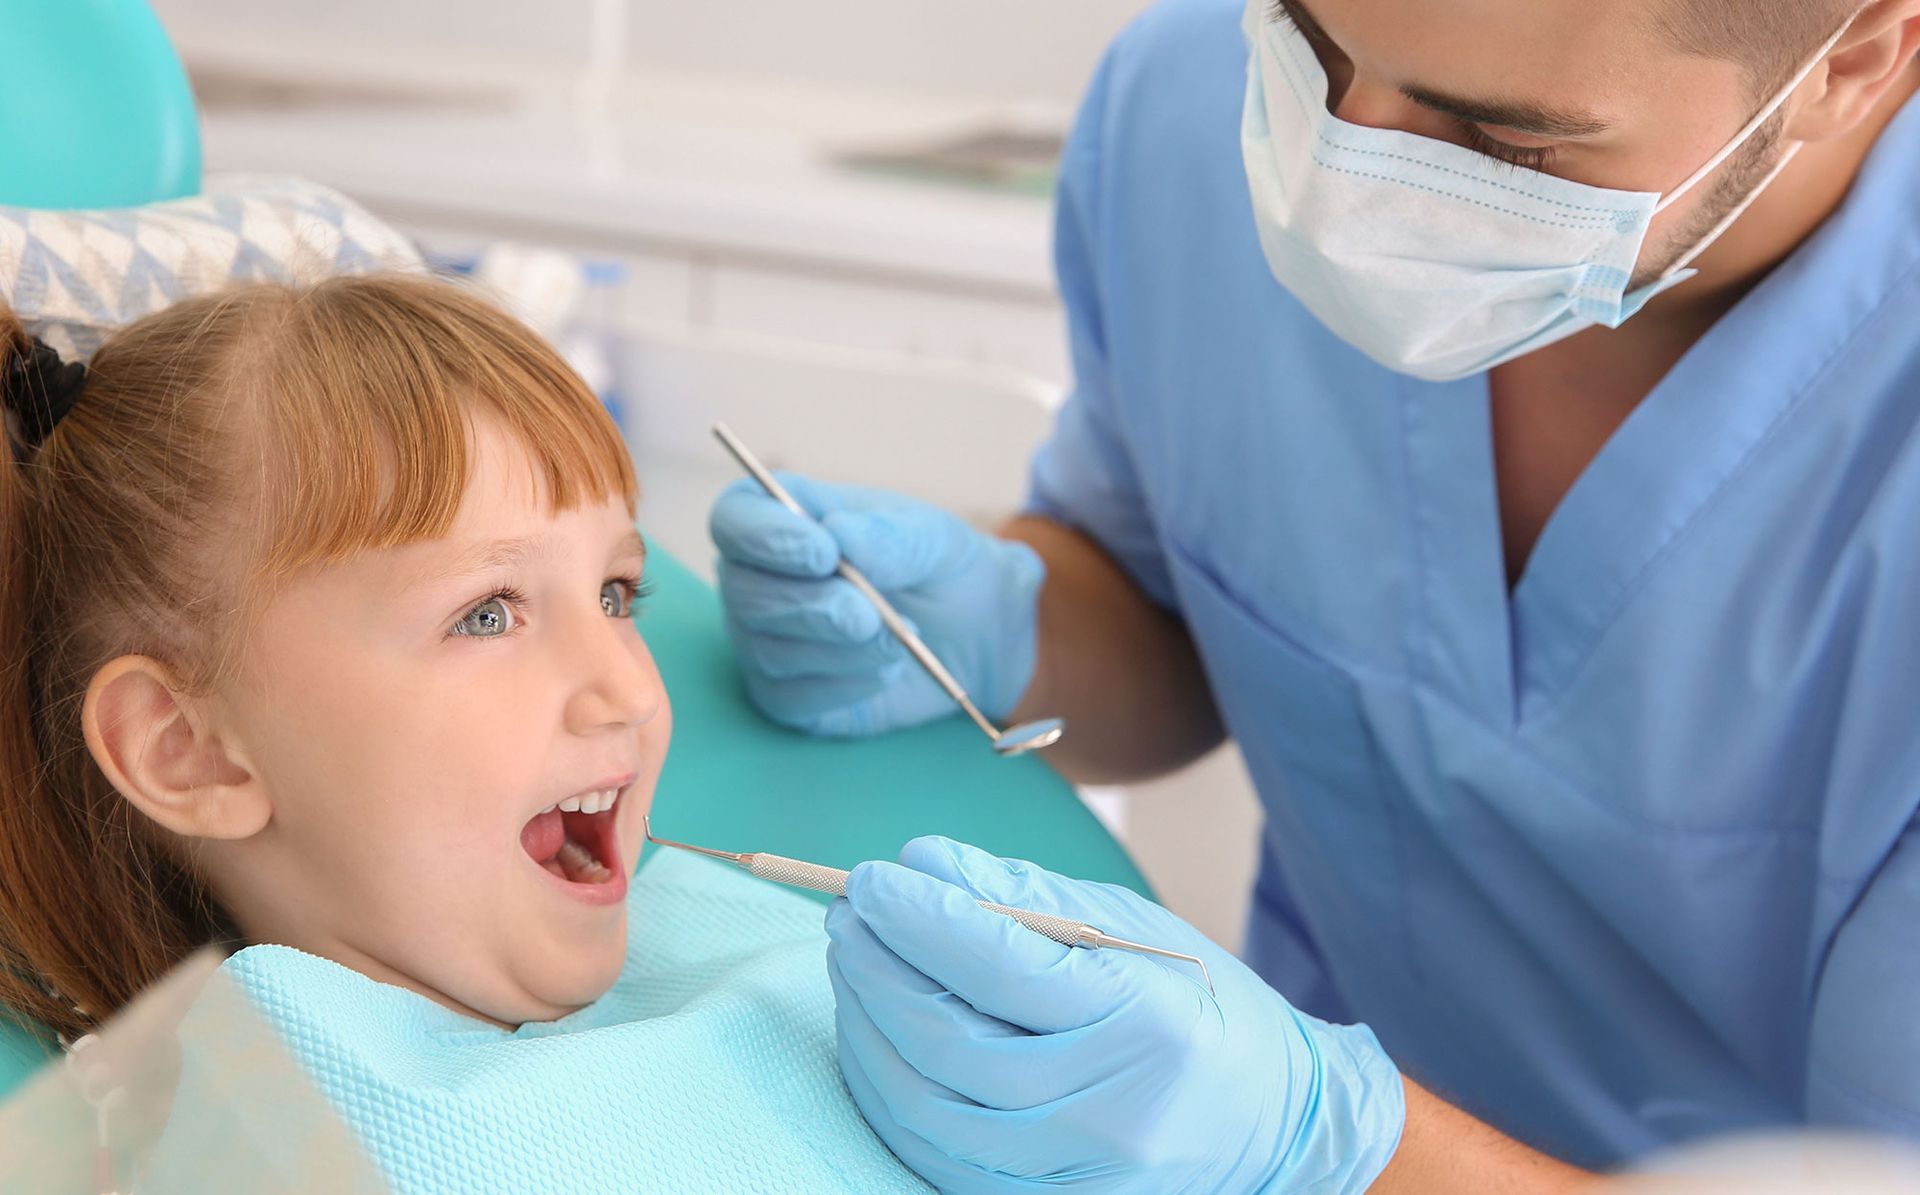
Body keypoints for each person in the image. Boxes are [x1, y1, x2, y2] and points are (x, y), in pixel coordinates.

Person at [708, 0, 1920, 1188]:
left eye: (1507, 147)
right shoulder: (1182, 107)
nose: (1345, 177)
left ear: (1856, 54)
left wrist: (1328, 1145)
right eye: (1312, 44)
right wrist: (1014, 624)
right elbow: (1189, 616)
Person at [0, 276, 931, 1193]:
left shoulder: (734, 954)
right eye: (487, 614)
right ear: (189, 750)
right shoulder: (300, 1146)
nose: (631, 690)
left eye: (615, 594)